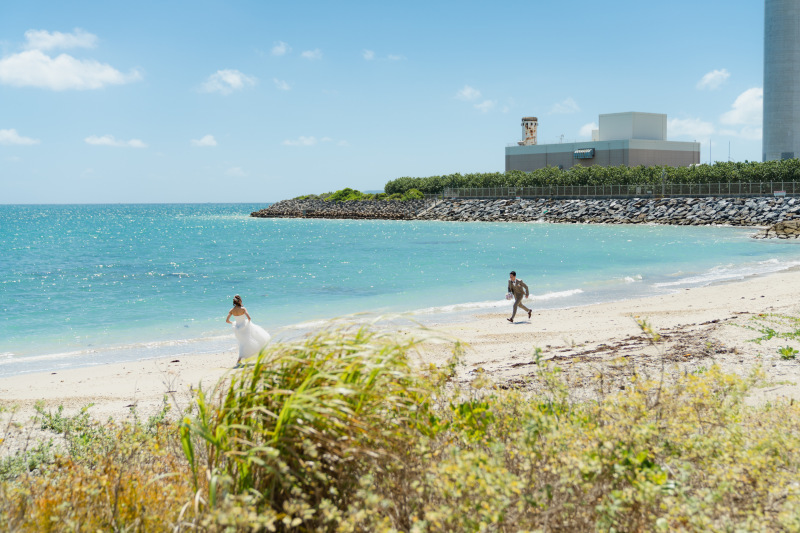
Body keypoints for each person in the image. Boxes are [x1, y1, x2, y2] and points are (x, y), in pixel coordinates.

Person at [226, 294, 271, 366]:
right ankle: (257, 355)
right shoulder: (243, 309)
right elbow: (249, 318)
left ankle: (239, 360)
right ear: (240, 301)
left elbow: (227, 321)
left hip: (237, 328)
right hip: (244, 327)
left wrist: (233, 323)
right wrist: (247, 324)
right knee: (254, 339)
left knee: (242, 344)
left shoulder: (231, 310)